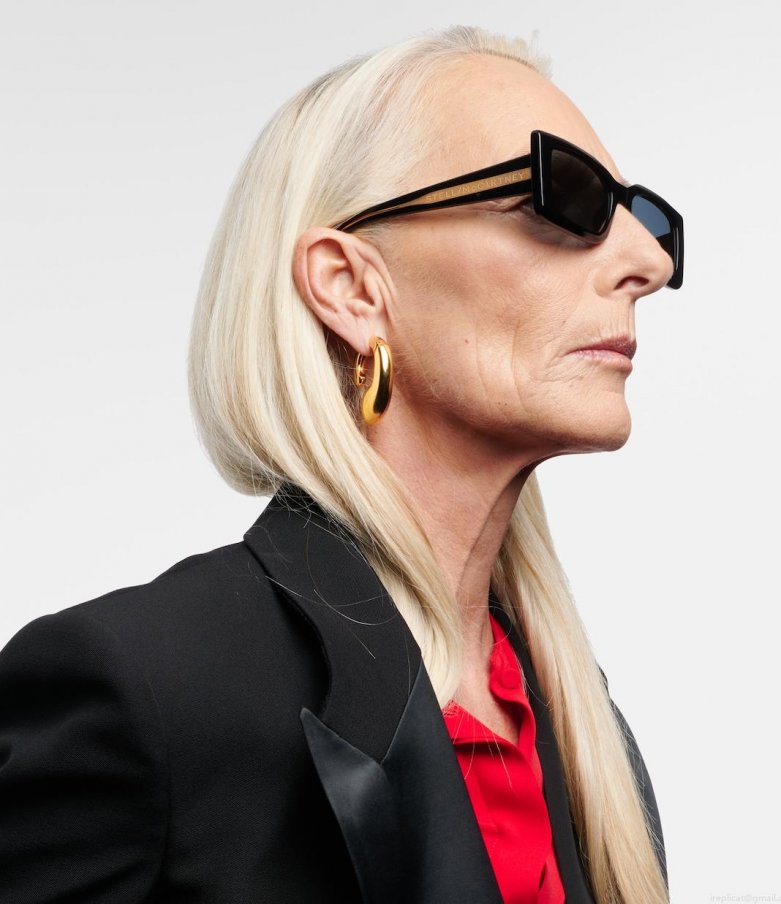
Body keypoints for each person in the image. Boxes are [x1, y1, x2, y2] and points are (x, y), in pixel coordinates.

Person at [0, 24, 683, 904]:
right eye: (564, 198)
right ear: (352, 288)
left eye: (645, 220)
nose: (648, 262)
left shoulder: (587, 739)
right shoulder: (145, 691)